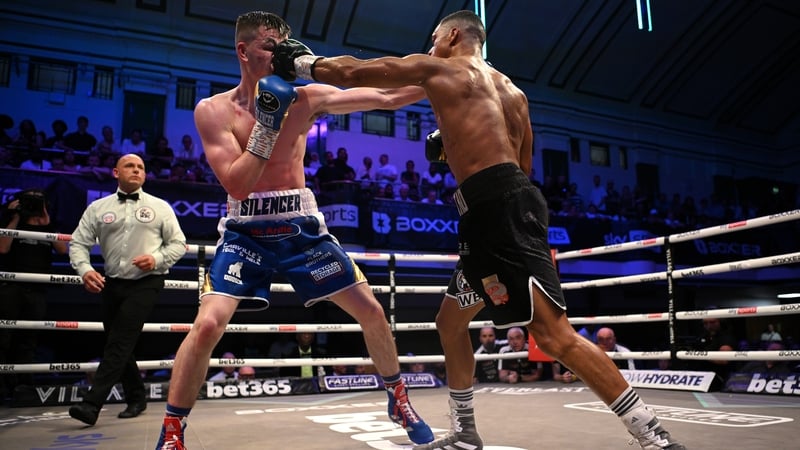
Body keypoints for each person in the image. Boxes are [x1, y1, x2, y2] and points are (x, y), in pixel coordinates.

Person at [272, 10, 684, 449]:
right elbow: (521, 166)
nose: (429, 47)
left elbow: (354, 72)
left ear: (452, 36)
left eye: (433, 39)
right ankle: (466, 432)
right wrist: (454, 150)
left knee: (552, 334)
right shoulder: (514, 92)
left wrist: (301, 62)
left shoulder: (439, 67)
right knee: (450, 322)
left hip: (496, 213)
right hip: (500, 208)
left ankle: (652, 435)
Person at [154, 11, 432, 449]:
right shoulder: (213, 110)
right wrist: (267, 124)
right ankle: (172, 431)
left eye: (286, 45)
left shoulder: (308, 97)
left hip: (302, 228)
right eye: (270, 46)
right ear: (243, 52)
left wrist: (447, 71)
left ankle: (398, 398)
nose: (282, 54)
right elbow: (238, 184)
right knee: (207, 325)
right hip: (245, 232)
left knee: (373, 312)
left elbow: (387, 97)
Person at [67, 153, 186, 426]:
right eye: (130, 166)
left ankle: (91, 404)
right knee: (119, 343)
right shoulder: (98, 207)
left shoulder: (160, 207)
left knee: (119, 341)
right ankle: (136, 397)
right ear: (115, 173)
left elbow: (179, 244)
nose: (136, 170)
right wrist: (85, 270)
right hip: (112, 282)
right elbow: (78, 243)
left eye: (141, 167)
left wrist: (155, 259)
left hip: (147, 282)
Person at [0, 189, 68, 399]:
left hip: (37, 289)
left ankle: (23, 383)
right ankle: (3, 383)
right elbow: (3, 248)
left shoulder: (47, 226)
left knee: (29, 338)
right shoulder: (11, 222)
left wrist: (45, 220)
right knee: (3, 337)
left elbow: (63, 249)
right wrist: (15, 216)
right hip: (11, 287)